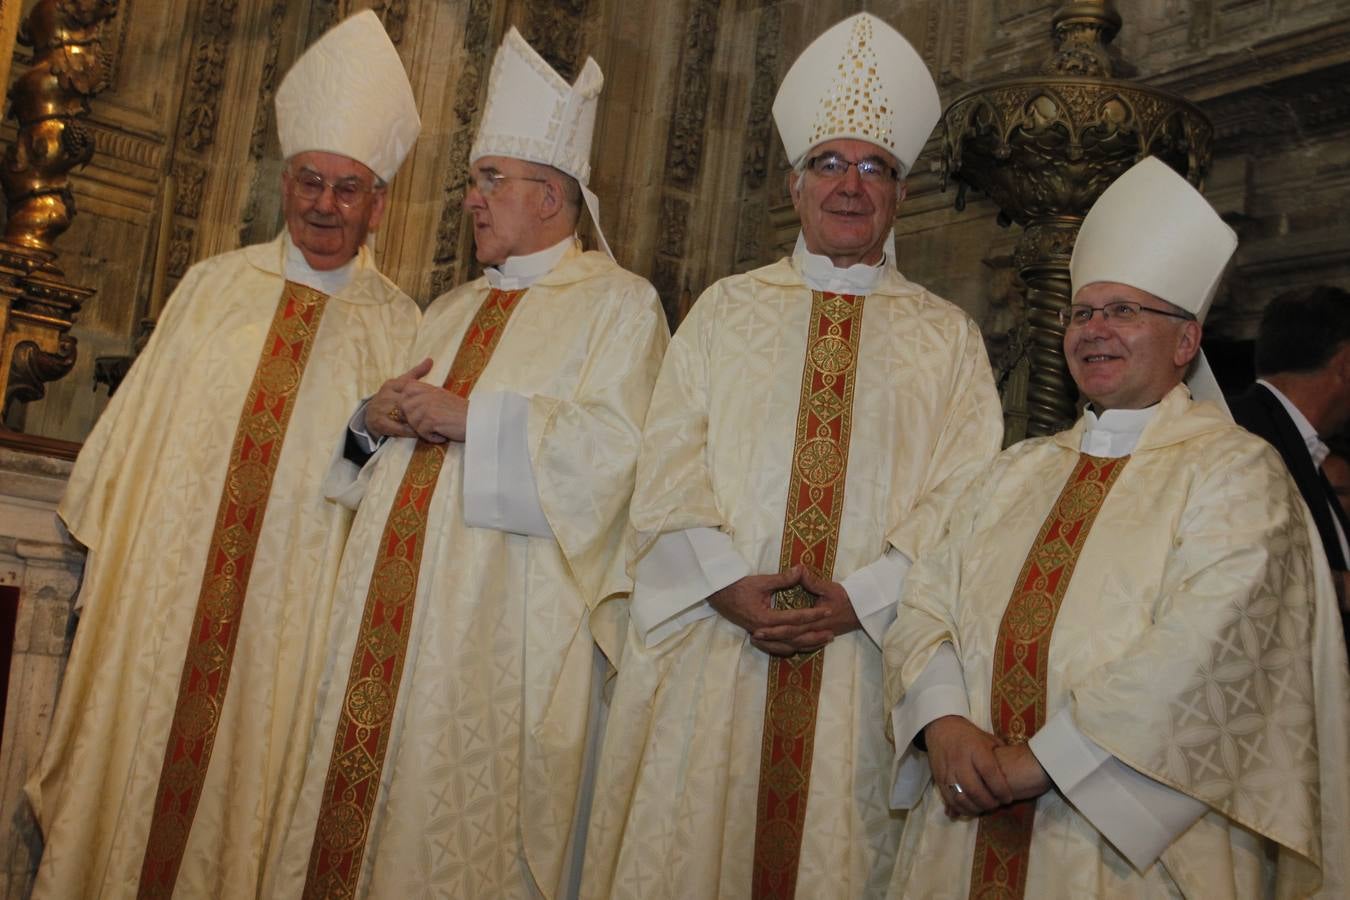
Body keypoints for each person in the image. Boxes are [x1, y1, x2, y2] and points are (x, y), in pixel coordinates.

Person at [582, 13, 1003, 899]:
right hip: (715, 648)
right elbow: (667, 464)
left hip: (864, 664)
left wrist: (865, 598)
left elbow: (969, 499)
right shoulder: (724, 310)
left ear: (899, 193)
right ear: (794, 183)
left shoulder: (948, 339)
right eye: (831, 164)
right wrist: (730, 585)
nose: (851, 185)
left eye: (875, 168)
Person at [24, 11, 422, 899]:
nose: (324, 204)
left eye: (347, 189)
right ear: (286, 184)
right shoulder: (212, 289)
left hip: (292, 622)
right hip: (164, 611)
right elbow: (128, 455)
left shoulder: (401, 327)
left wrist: (360, 436)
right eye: (310, 181)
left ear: (379, 203)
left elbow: (385, 490)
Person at [264, 28, 667, 899]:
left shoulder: (620, 307)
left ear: (553, 195)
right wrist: (367, 423)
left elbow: (616, 465)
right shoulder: (447, 309)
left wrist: (471, 418)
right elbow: (359, 470)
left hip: (490, 651)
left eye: (490, 181)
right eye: (475, 181)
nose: (471, 202)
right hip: (382, 631)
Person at [884, 156, 1350, 899]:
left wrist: (1041, 761)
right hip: (964, 820)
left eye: (1125, 311)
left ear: (1187, 342)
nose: (1094, 330)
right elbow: (926, 602)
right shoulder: (1015, 470)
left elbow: (1207, 650)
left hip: (1120, 846)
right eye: (1083, 311)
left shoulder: (1236, 471)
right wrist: (943, 723)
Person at [1229, 286, 1350, 635]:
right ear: (1344, 364)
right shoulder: (1241, 436)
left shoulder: (1297, 439)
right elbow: (1243, 572)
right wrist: (1341, 587)